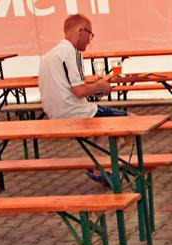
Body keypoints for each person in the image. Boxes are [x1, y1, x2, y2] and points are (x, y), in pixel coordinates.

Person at [37, 14, 125, 185]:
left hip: (55, 115)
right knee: (131, 121)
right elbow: (79, 91)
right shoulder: (72, 52)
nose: (89, 41)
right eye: (90, 35)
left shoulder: (49, 55)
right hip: (75, 113)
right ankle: (99, 165)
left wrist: (95, 88)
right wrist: (100, 86)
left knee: (109, 131)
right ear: (81, 31)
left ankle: (101, 166)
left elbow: (71, 89)